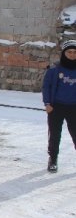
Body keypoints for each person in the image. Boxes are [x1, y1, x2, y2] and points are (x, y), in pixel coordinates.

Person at [41, 39, 76, 173]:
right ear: (64, 53)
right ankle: (53, 160)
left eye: (75, 52)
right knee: (55, 135)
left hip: (74, 108)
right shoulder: (55, 69)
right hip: (56, 108)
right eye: (69, 52)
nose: (72, 55)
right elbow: (46, 86)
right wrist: (47, 104)